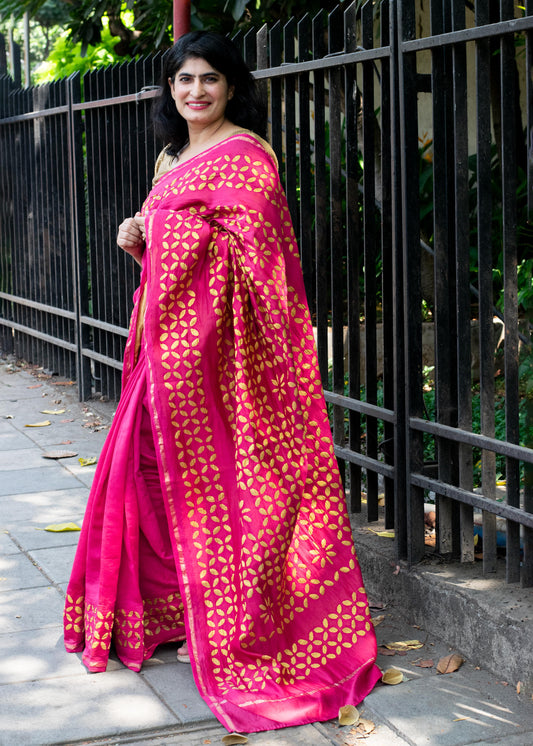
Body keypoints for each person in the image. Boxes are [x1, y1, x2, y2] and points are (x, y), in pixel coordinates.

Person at [63, 30, 381, 734]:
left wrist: (172, 234)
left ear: (231, 86)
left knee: (238, 486)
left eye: (208, 80)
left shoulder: (249, 156)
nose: (195, 93)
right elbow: (162, 237)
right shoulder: (171, 154)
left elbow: (260, 260)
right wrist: (136, 232)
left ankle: (247, 622)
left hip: (222, 357)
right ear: (169, 92)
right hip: (163, 349)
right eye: (183, 82)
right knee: (143, 471)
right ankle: (166, 610)